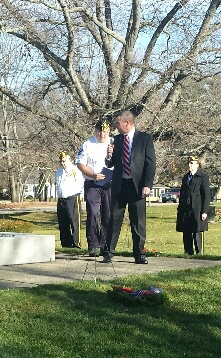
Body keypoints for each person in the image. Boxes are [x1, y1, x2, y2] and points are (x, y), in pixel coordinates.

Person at [103, 110, 156, 264]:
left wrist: (147, 184)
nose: (115, 127)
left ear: (127, 123)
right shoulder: (117, 140)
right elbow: (110, 163)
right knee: (114, 219)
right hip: (120, 185)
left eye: (117, 124)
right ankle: (108, 252)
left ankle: (139, 254)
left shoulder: (144, 139)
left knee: (137, 221)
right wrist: (109, 155)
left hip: (137, 185)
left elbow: (150, 164)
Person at [76, 119, 114, 256]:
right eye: (99, 131)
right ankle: (93, 244)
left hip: (110, 183)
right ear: (95, 130)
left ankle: (105, 245)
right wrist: (92, 175)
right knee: (93, 213)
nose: (102, 134)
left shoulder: (114, 143)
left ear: (109, 131)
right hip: (93, 183)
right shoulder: (87, 144)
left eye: (104, 131)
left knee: (108, 215)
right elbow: (80, 163)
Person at [176, 155, 210, 255]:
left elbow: (206, 195)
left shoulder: (202, 176)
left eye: (192, 163)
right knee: (186, 231)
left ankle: (198, 253)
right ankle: (188, 252)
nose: (190, 165)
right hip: (186, 208)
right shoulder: (186, 177)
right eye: (189, 163)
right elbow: (182, 193)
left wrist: (205, 211)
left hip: (197, 208)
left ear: (197, 164)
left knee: (196, 231)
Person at [55, 151, 84, 248]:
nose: (62, 163)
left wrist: (80, 195)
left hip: (72, 198)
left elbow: (81, 183)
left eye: (64, 161)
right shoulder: (59, 171)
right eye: (61, 161)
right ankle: (66, 244)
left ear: (69, 160)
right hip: (61, 199)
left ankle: (76, 244)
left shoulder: (75, 170)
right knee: (63, 223)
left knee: (74, 222)